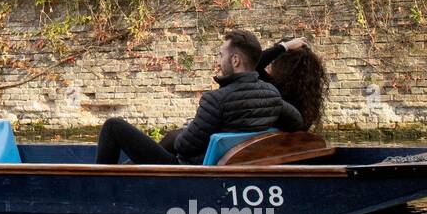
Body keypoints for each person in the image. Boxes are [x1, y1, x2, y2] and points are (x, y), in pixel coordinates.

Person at [96, 29, 303, 165]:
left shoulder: (216, 100)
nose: (219, 60)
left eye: (222, 55)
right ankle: (128, 170)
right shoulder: (272, 95)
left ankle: (98, 188)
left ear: (236, 60)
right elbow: (297, 122)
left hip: (184, 171)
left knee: (113, 126)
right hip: (222, 160)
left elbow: (184, 147)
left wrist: (189, 128)